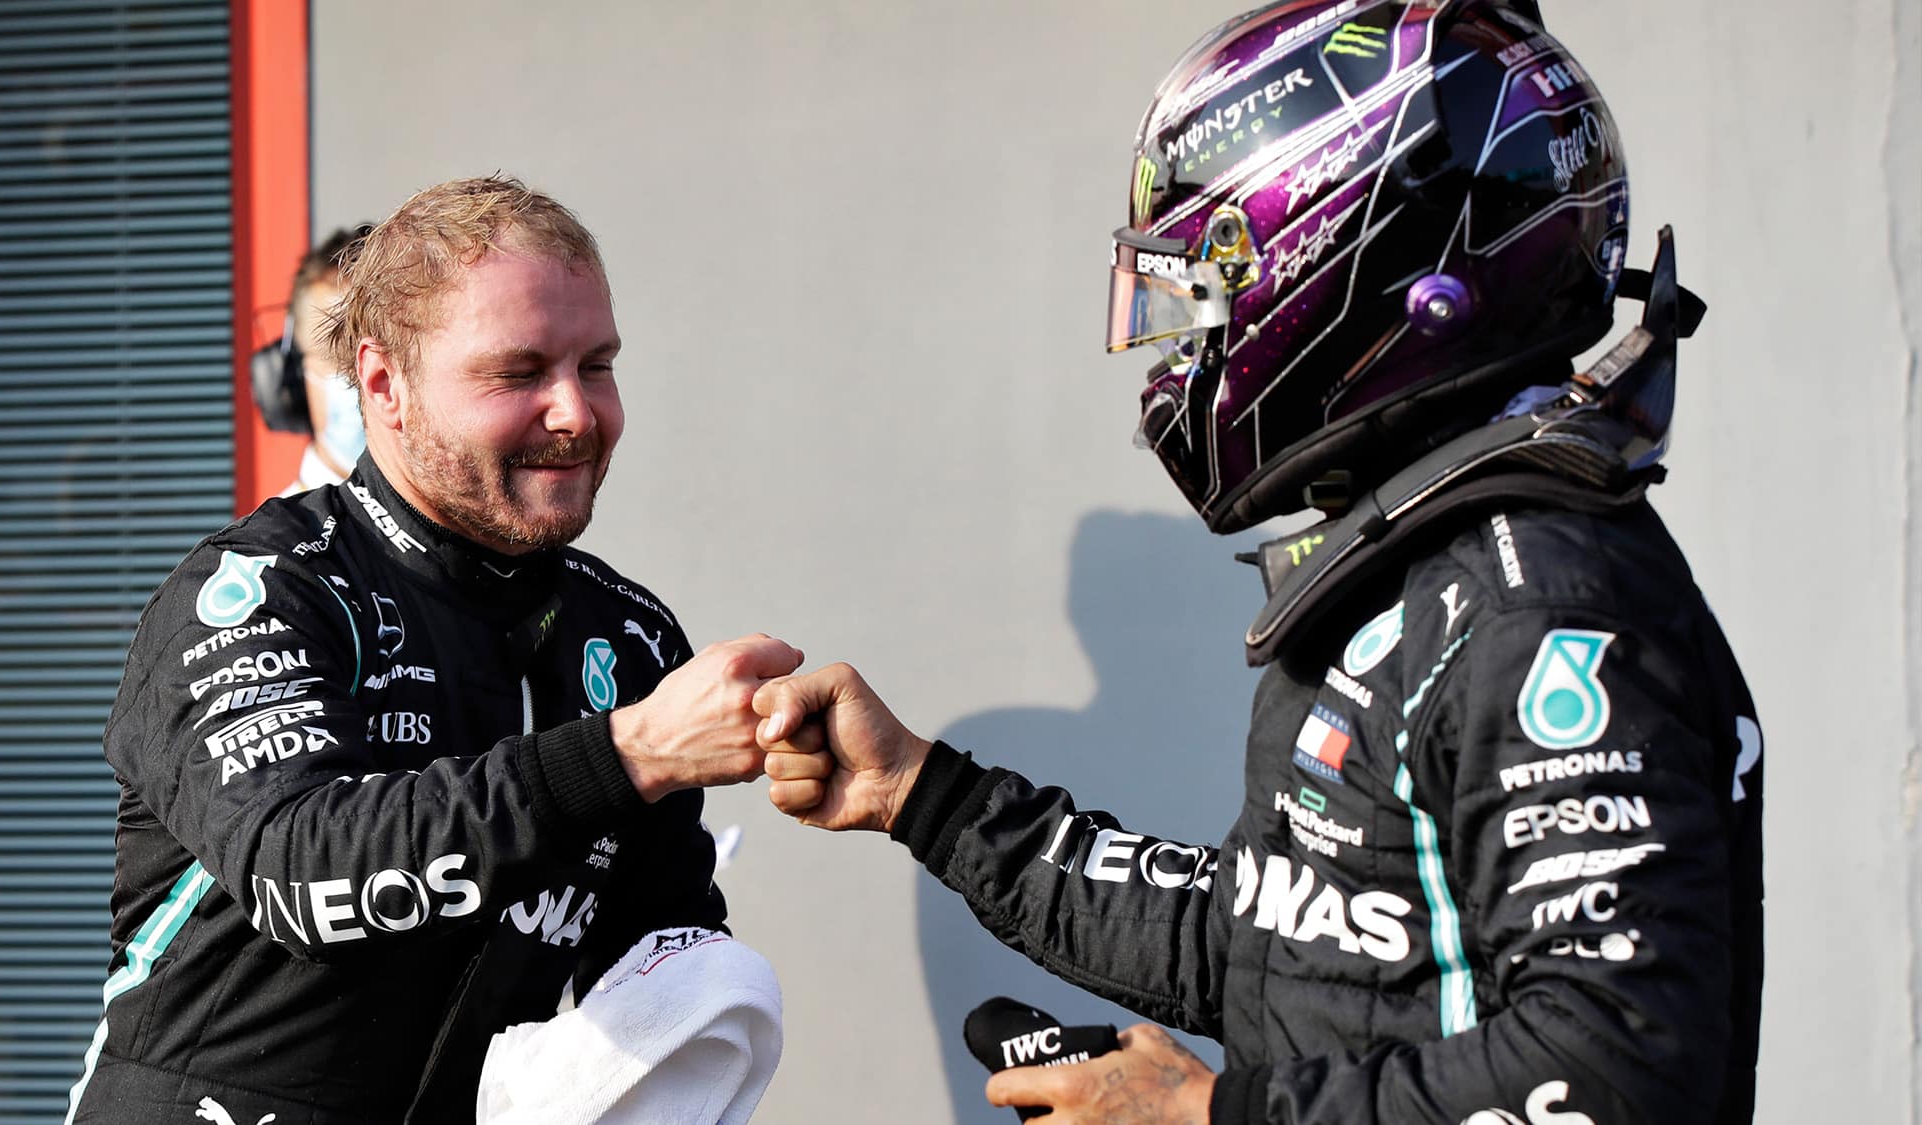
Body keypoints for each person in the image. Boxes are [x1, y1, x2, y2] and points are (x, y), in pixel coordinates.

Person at [754, 3, 1763, 1123]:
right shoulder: (1415, 558)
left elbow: (1622, 1076)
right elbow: (1271, 939)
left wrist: (1207, 1114)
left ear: (1356, 269)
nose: (1182, 349)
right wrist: (918, 795)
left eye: (1205, 292)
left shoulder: (1533, 608)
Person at [67, 176, 802, 1124]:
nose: (577, 413)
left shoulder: (628, 636)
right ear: (383, 384)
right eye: (519, 372)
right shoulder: (261, 592)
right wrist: (630, 754)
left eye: (598, 365)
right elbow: (306, 873)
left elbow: (651, 968)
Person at [252, 224, 374, 495]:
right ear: (293, 374)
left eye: (381, 352)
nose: (364, 376)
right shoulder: (273, 536)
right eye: (337, 355)